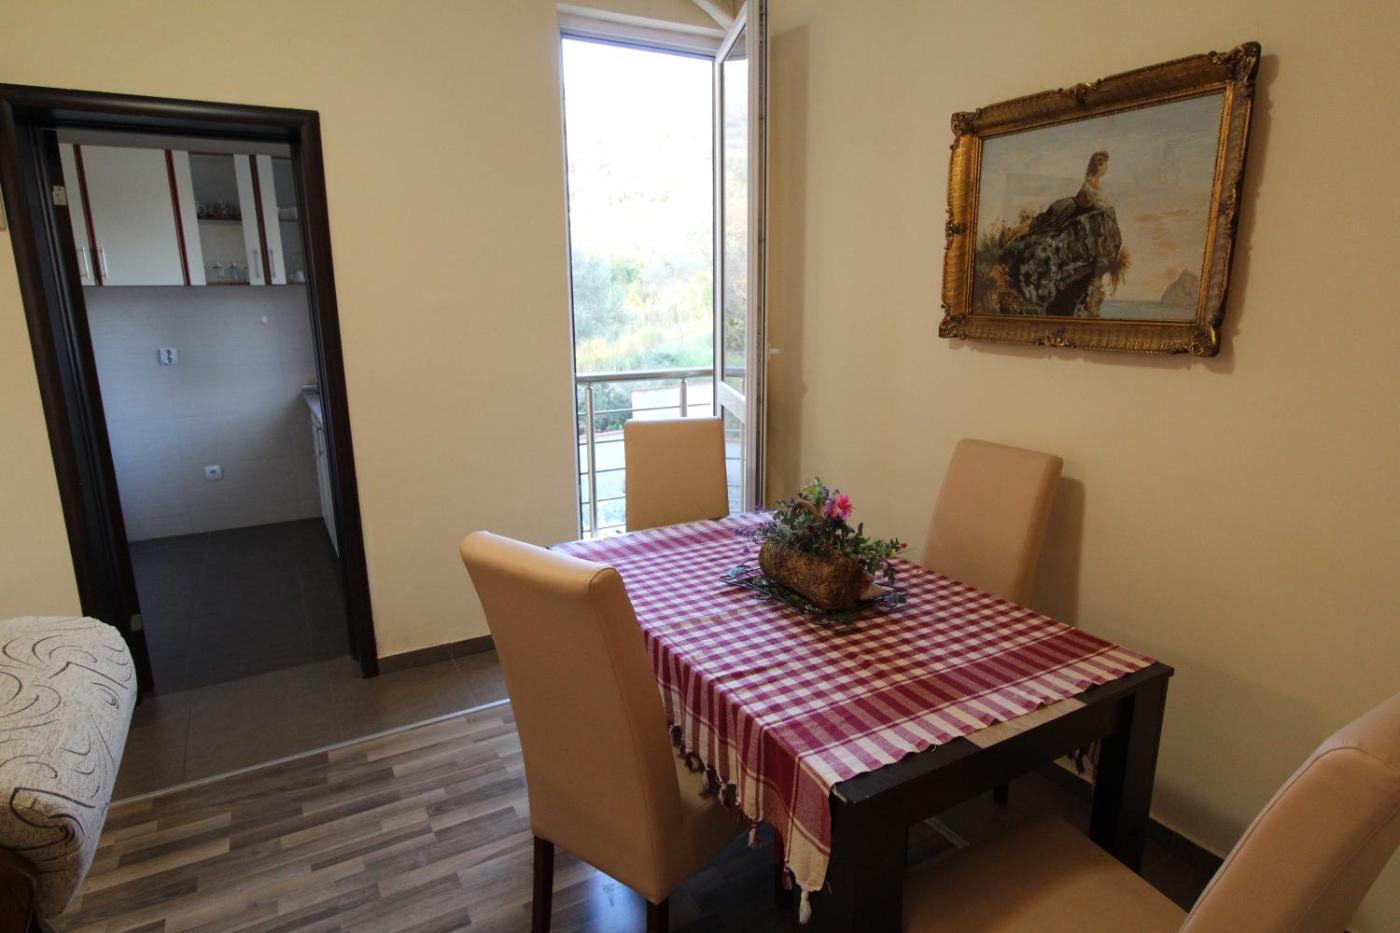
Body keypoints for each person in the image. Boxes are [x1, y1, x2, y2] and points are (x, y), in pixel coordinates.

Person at [1020, 150, 1111, 237]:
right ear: (1099, 166)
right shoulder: (1092, 182)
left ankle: (1014, 233)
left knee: (1038, 222)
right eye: (1105, 164)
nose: (1107, 167)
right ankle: (1014, 234)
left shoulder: (1093, 180)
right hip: (1067, 208)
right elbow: (1101, 205)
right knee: (1039, 225)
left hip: (1067, 205)